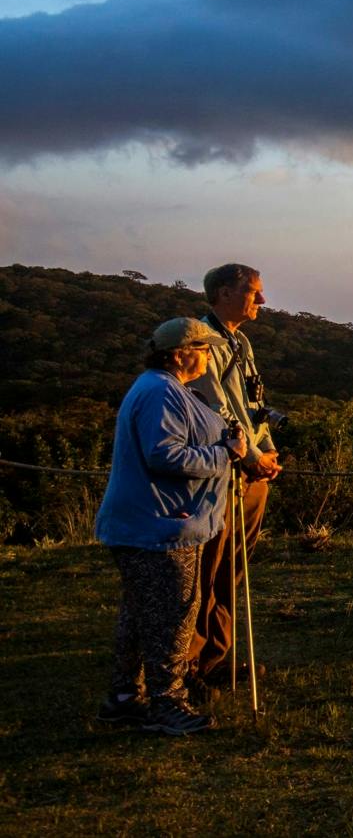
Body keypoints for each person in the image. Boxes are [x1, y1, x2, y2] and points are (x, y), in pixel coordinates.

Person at [94, 318, 247, 735]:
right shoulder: (160, 392)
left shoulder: (164, 389)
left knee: (141, 614)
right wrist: (226, 454)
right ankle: (167, 703)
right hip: (159, 525)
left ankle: (125, 697)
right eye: (203, 348)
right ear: (180, 353)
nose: (208, 355)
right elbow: (166, 456)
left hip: (153, 522)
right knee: (173, 615)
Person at [184, 262, 282, 693]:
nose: (261, 300)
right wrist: (251, 456)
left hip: (253, 467)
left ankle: (216, 659)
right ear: (224, 293)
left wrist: (268, 445)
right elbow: (217, 408)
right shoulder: (203, 343)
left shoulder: (239, 342)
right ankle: (186, 667)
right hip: (222, 472)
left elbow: (251, 402)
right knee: (207, 569)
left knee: (232, 568)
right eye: (253, 291)